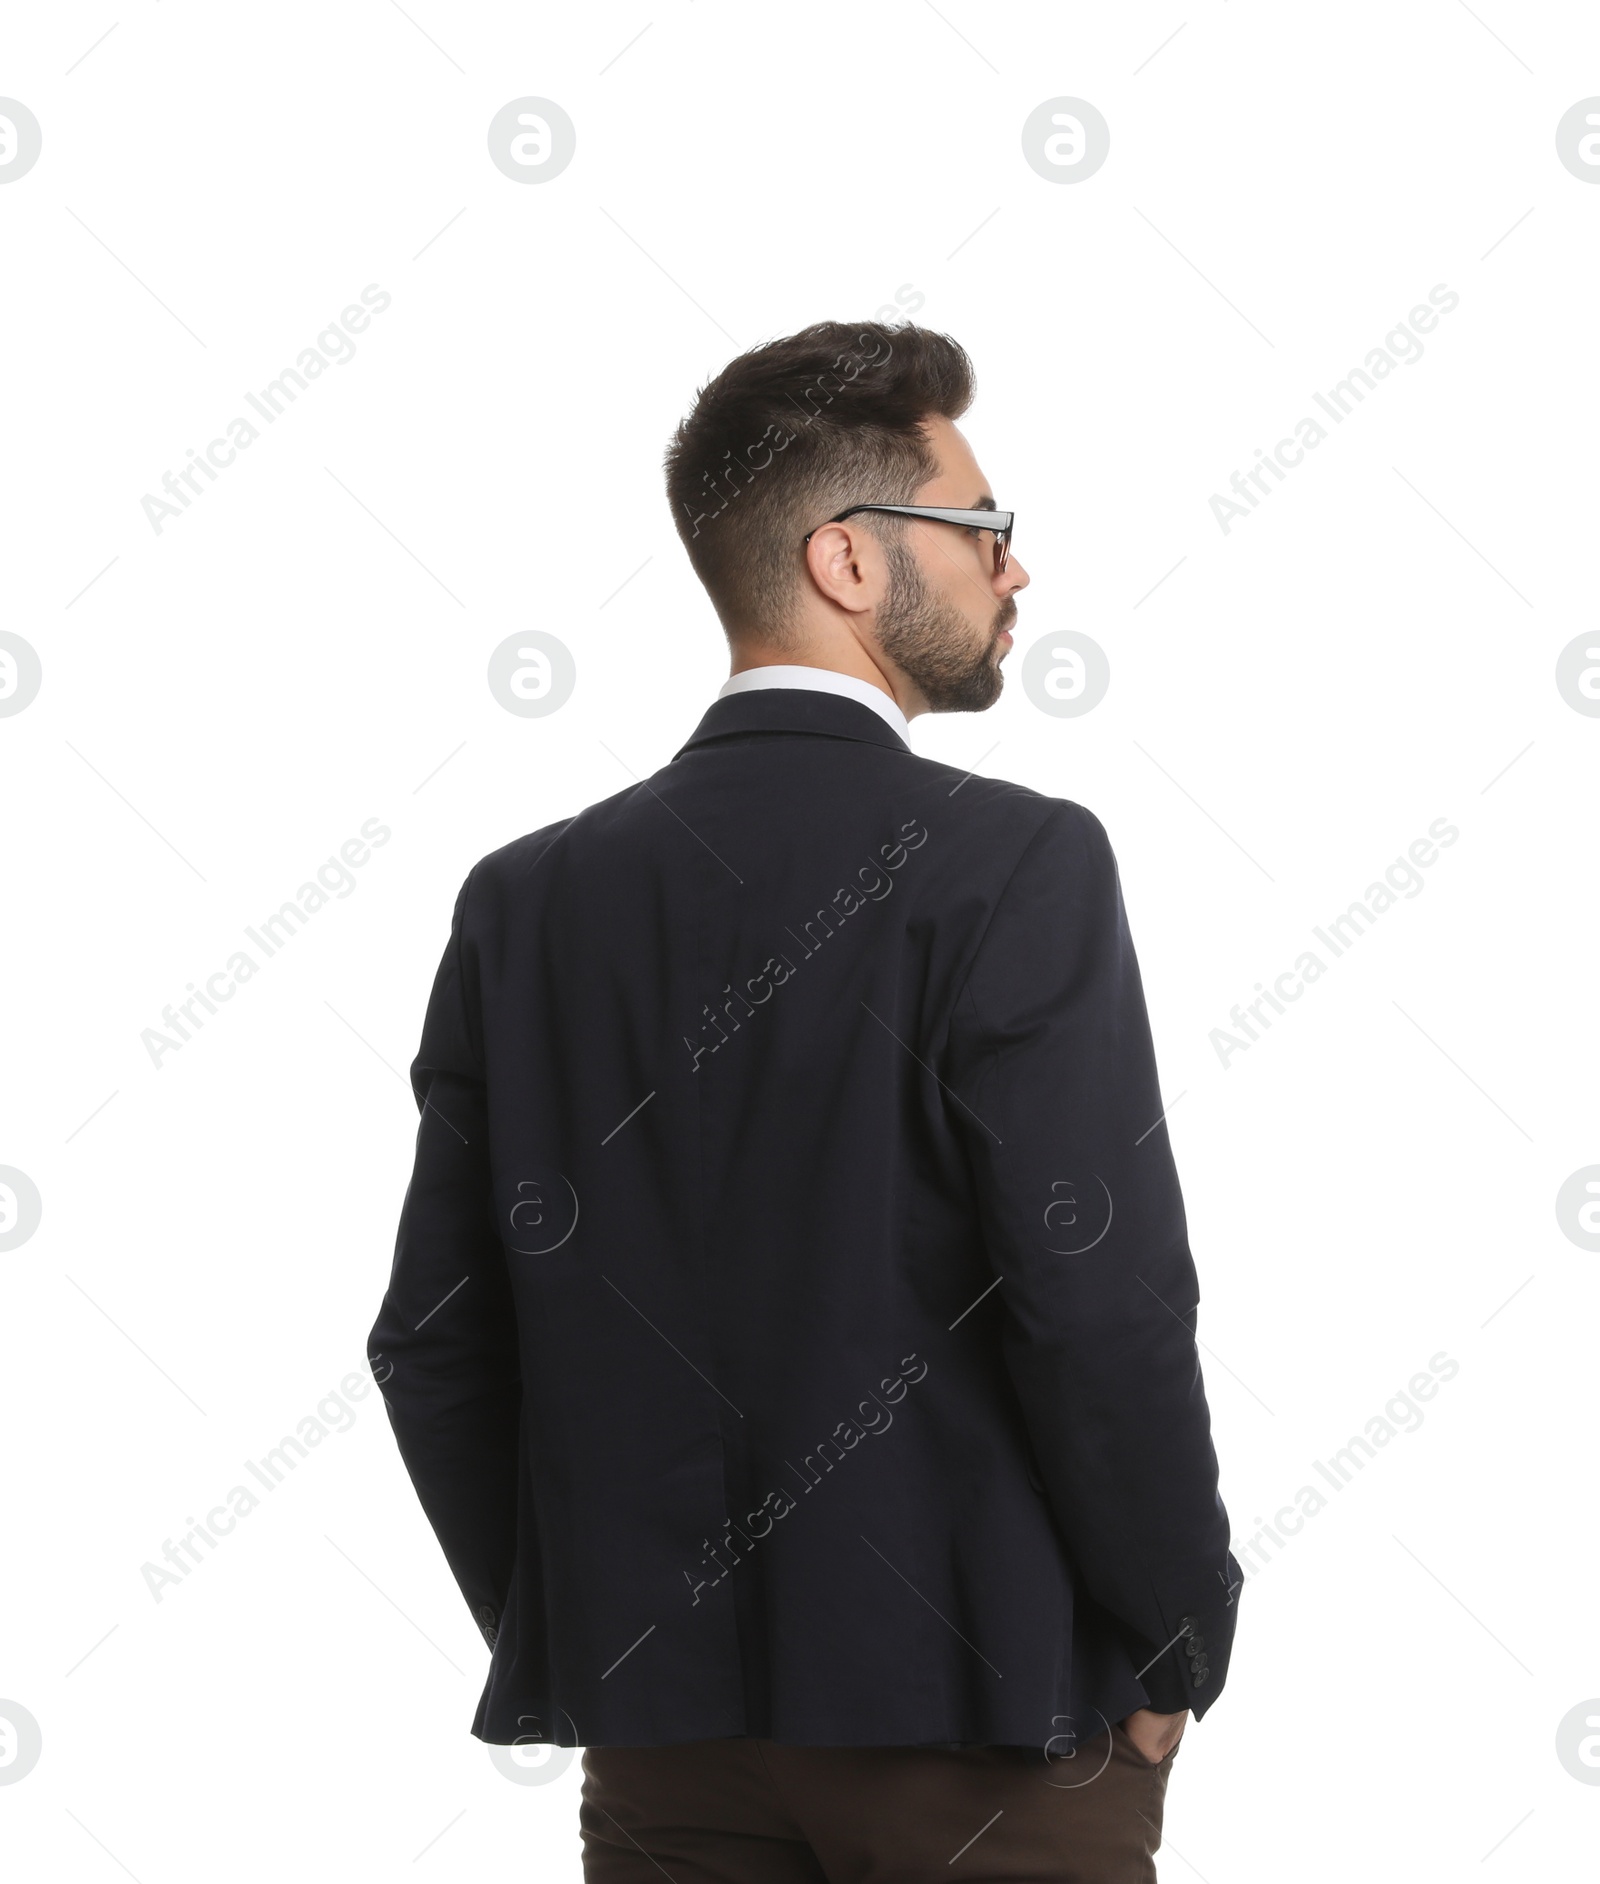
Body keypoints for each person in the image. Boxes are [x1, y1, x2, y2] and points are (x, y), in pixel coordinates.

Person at [367, 321, 1240, 1882]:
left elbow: (436, 1340)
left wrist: (606, 1638)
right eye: (984, 531)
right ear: (848, 558)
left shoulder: (529, 903)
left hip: (666, 1750)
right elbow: (1097, 1302)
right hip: (988, 1740)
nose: (1015, 574)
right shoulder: (1010, 863)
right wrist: (1177, 1638)